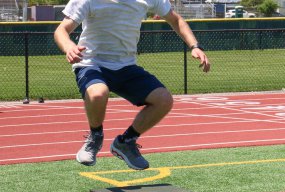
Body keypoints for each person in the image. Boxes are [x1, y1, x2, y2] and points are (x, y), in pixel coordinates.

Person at [54, 0, 210, 170]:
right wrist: (68, 46)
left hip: (126, 67)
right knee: (98, 93)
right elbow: (61, 30)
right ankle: (95, 136)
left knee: (164, 100)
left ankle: (126, 142)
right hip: (92, 64)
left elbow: (176, 20)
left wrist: (195, 46)